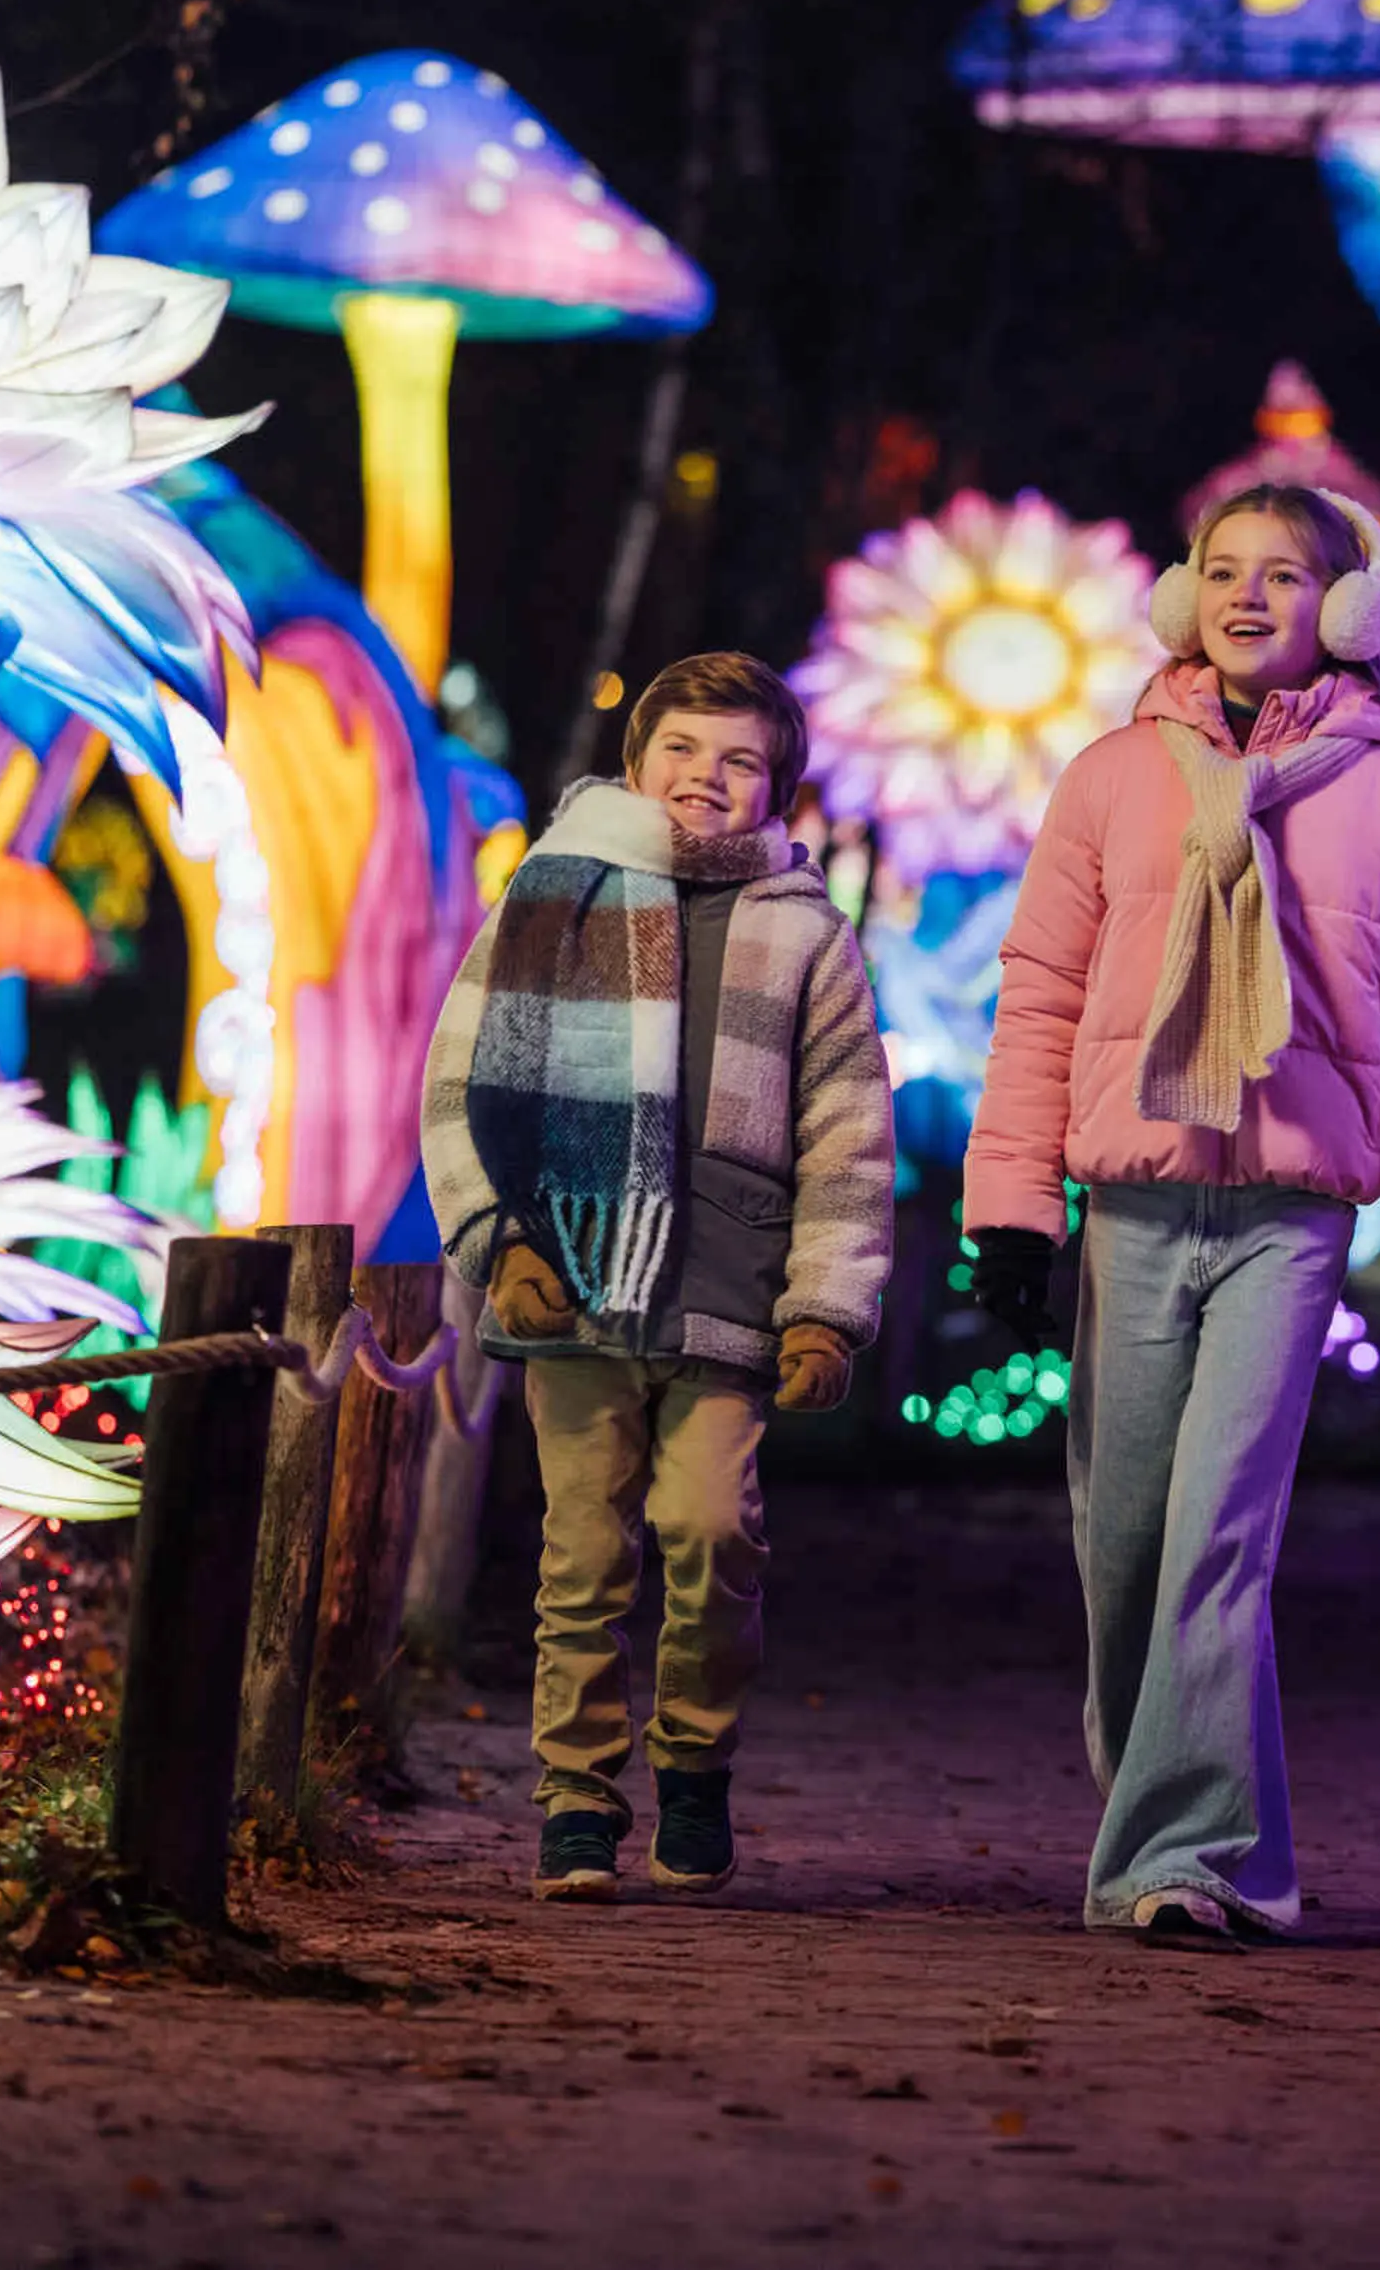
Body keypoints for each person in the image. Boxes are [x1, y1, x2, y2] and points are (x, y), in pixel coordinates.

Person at [964, 484, 1380, 1949]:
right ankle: (1199, 1833)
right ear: (1183, 595)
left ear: (1350, 610)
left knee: (1219, 1533)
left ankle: (1183, 1858)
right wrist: (1012, 1207)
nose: (1250, 595)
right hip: (1134, 1206)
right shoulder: (1109, 779)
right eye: (1224, 569)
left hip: (1289, 1216)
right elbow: (1040, 999)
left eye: (1286, 575)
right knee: (1127, 1542)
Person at [420, 651, 894, 1905]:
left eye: (740, 761)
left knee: (711, 1528)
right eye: (681, 749)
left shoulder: (803, 931)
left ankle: (694, 1763)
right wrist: (500, 1242)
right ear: (636, 763)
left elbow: (847, 1133)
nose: (706, 777)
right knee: (582, 1553)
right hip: (574, 1277)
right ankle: (576, 1798)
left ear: (776, 789)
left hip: (731, 1287)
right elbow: (462, 1084)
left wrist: (826, 1308)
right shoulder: (552, 894)